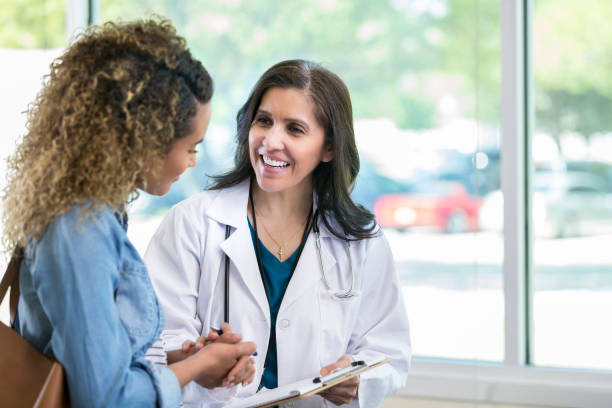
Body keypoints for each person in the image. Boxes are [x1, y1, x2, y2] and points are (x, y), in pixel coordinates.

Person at [1, 18, 256, 407]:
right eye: (191, 147)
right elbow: (106, 399)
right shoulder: (79, 230)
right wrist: (195, 366)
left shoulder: (92, 213)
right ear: (144, 142)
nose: (191, 162)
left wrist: (188, 362)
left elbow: (89, 361)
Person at [145, 59, 411, 407]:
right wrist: (199, 357)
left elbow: (388, 350)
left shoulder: (360, 239)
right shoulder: (192, 223)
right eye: (264, 121)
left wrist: (357, 377)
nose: (271, 141)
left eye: (295, 129)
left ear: (329, 147)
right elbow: (153, 343)